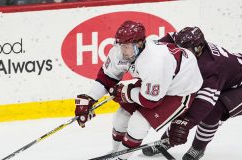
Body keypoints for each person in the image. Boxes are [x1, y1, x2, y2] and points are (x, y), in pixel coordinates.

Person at [74, 20, 203, 160]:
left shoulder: (154, 61)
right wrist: (90, 98)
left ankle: (120, 158)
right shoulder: (120, 51)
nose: (123, 51)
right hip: (159, 80)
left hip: (180, 88)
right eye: (121, 45)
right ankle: (114, 153)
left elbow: (150, 101)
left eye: (127, 46)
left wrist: (126, 93)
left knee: (138, 123)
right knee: (121, 116)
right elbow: (107, 76)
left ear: (140, 43)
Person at [142, 27, 242, 160]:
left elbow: (205, 103)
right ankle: (166, 141)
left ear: (199, 48)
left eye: (186, 51)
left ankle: (198, 148)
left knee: (213, 111)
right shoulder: (183, 41)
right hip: (226, 78)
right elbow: (159, 45)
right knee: (185, 101)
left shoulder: (211, 67)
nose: (181, 54)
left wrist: (185, 124)